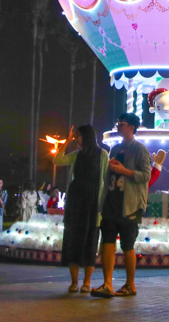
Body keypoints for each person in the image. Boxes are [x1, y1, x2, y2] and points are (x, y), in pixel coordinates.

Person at [91, 113, 151, 299]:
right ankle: (107, 284)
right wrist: (113, 166)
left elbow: (146, 175)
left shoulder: (140, 149)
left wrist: (124, 170)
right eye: (118, 123)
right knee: (107, 242)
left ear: (131, 127)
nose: (118, 126)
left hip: (129, 204)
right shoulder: (115, 149)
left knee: (127, 245)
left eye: (121, 124)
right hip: (111, 201)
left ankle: (130, 285)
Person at [54, 124, 109, 293]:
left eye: (78, 136)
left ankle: (87, 282)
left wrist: (102, 205)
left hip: (92, 203)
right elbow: (57, 159)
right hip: (75, 201)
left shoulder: (102, 155)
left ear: (86, 136)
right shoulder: (76, 155)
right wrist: (67, 141)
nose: (76, 139)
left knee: (90, 241)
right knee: (73, 240)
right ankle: (74, 282)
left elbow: (105, 180)